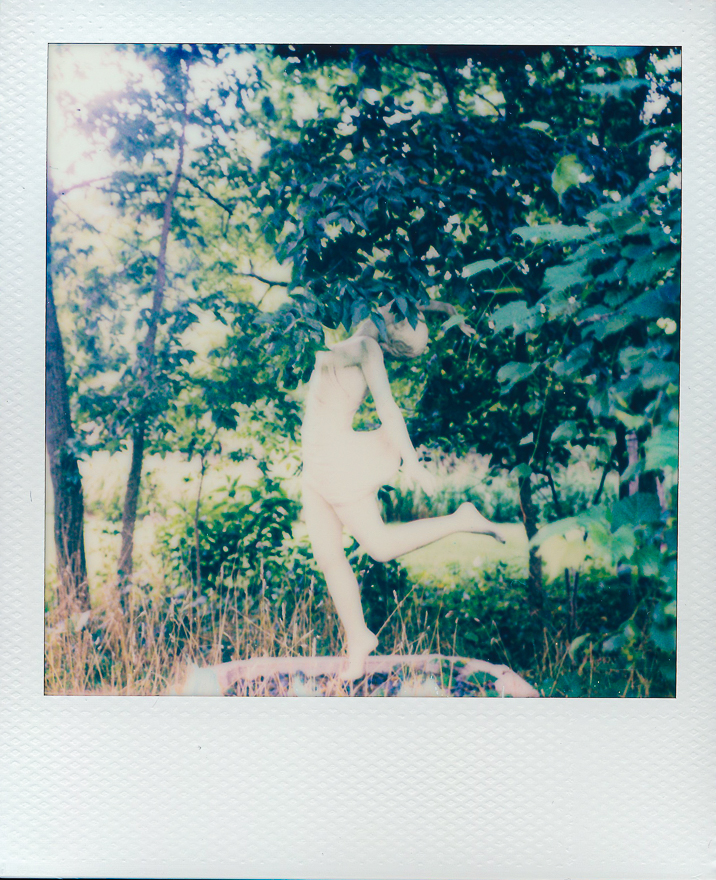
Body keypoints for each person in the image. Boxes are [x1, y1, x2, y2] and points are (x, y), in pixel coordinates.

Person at [301, 302, 508, 680]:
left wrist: (411, 463)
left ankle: (461, 519)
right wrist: (446, 308)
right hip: (315, 466)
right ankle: (358, 638)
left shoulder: (367, 349)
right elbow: (391, 305)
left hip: (335, 463)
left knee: (378, 547)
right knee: (330, 557)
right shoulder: (364, 333)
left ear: (392, 332)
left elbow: (389, 410)